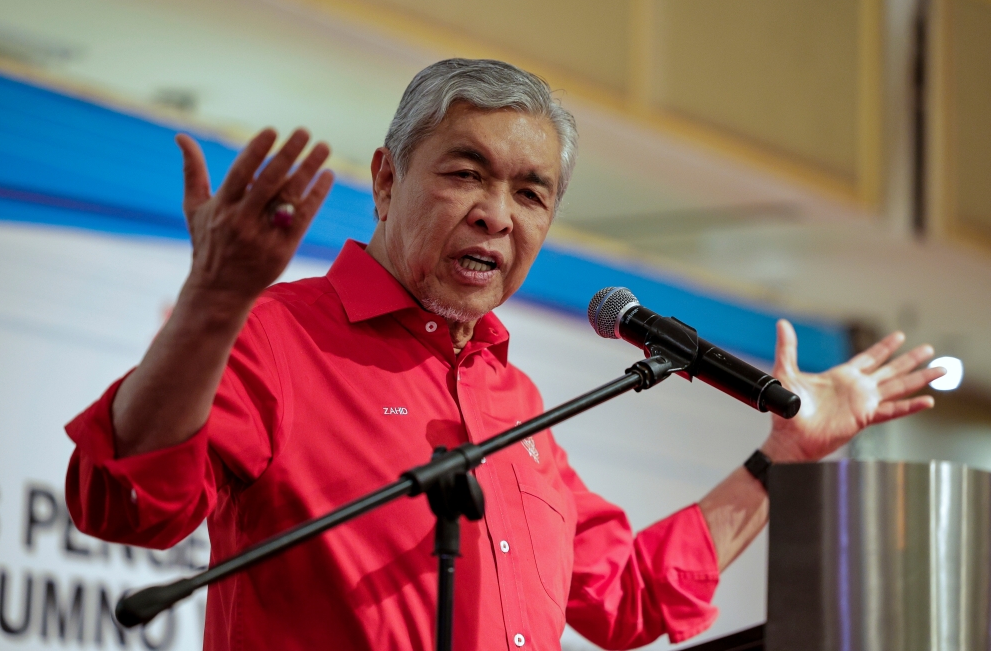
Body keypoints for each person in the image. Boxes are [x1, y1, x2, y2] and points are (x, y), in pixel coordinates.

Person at [65, 59, 943, 650]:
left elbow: (628, 594)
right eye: (465, 173)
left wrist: (783, 459)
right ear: (383, 179)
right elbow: (126, 501)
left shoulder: (513, 399)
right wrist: (215, 301)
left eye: (531, 193)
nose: (498, 213)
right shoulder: (277, 337)